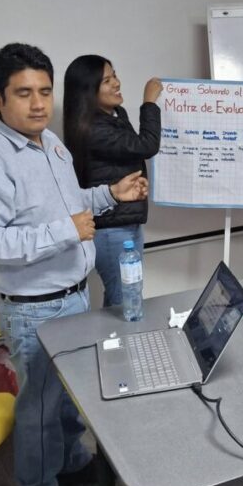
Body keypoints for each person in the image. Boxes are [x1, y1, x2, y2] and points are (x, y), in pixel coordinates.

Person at [0, 43, 148, 486]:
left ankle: (70, 462)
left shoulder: (51, 144)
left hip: (73, 296)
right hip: (34, 309)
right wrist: (66, 231)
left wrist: (110, 195)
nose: (38, 103)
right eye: (23, 93)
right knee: (38, 411)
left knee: (65, 397)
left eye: (44, 91)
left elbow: (73, 204)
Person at [63, 54, 162, 306]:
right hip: (111, 229)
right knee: (125, 301)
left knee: (126, 297)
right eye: (107, 81)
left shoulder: (115, 115)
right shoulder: (94, 128)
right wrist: (149, 103)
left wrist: (136, 181)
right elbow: (146, 145)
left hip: (124, 222)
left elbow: (125, 156)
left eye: (114, 76)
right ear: (88, 91)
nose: (117, 83)